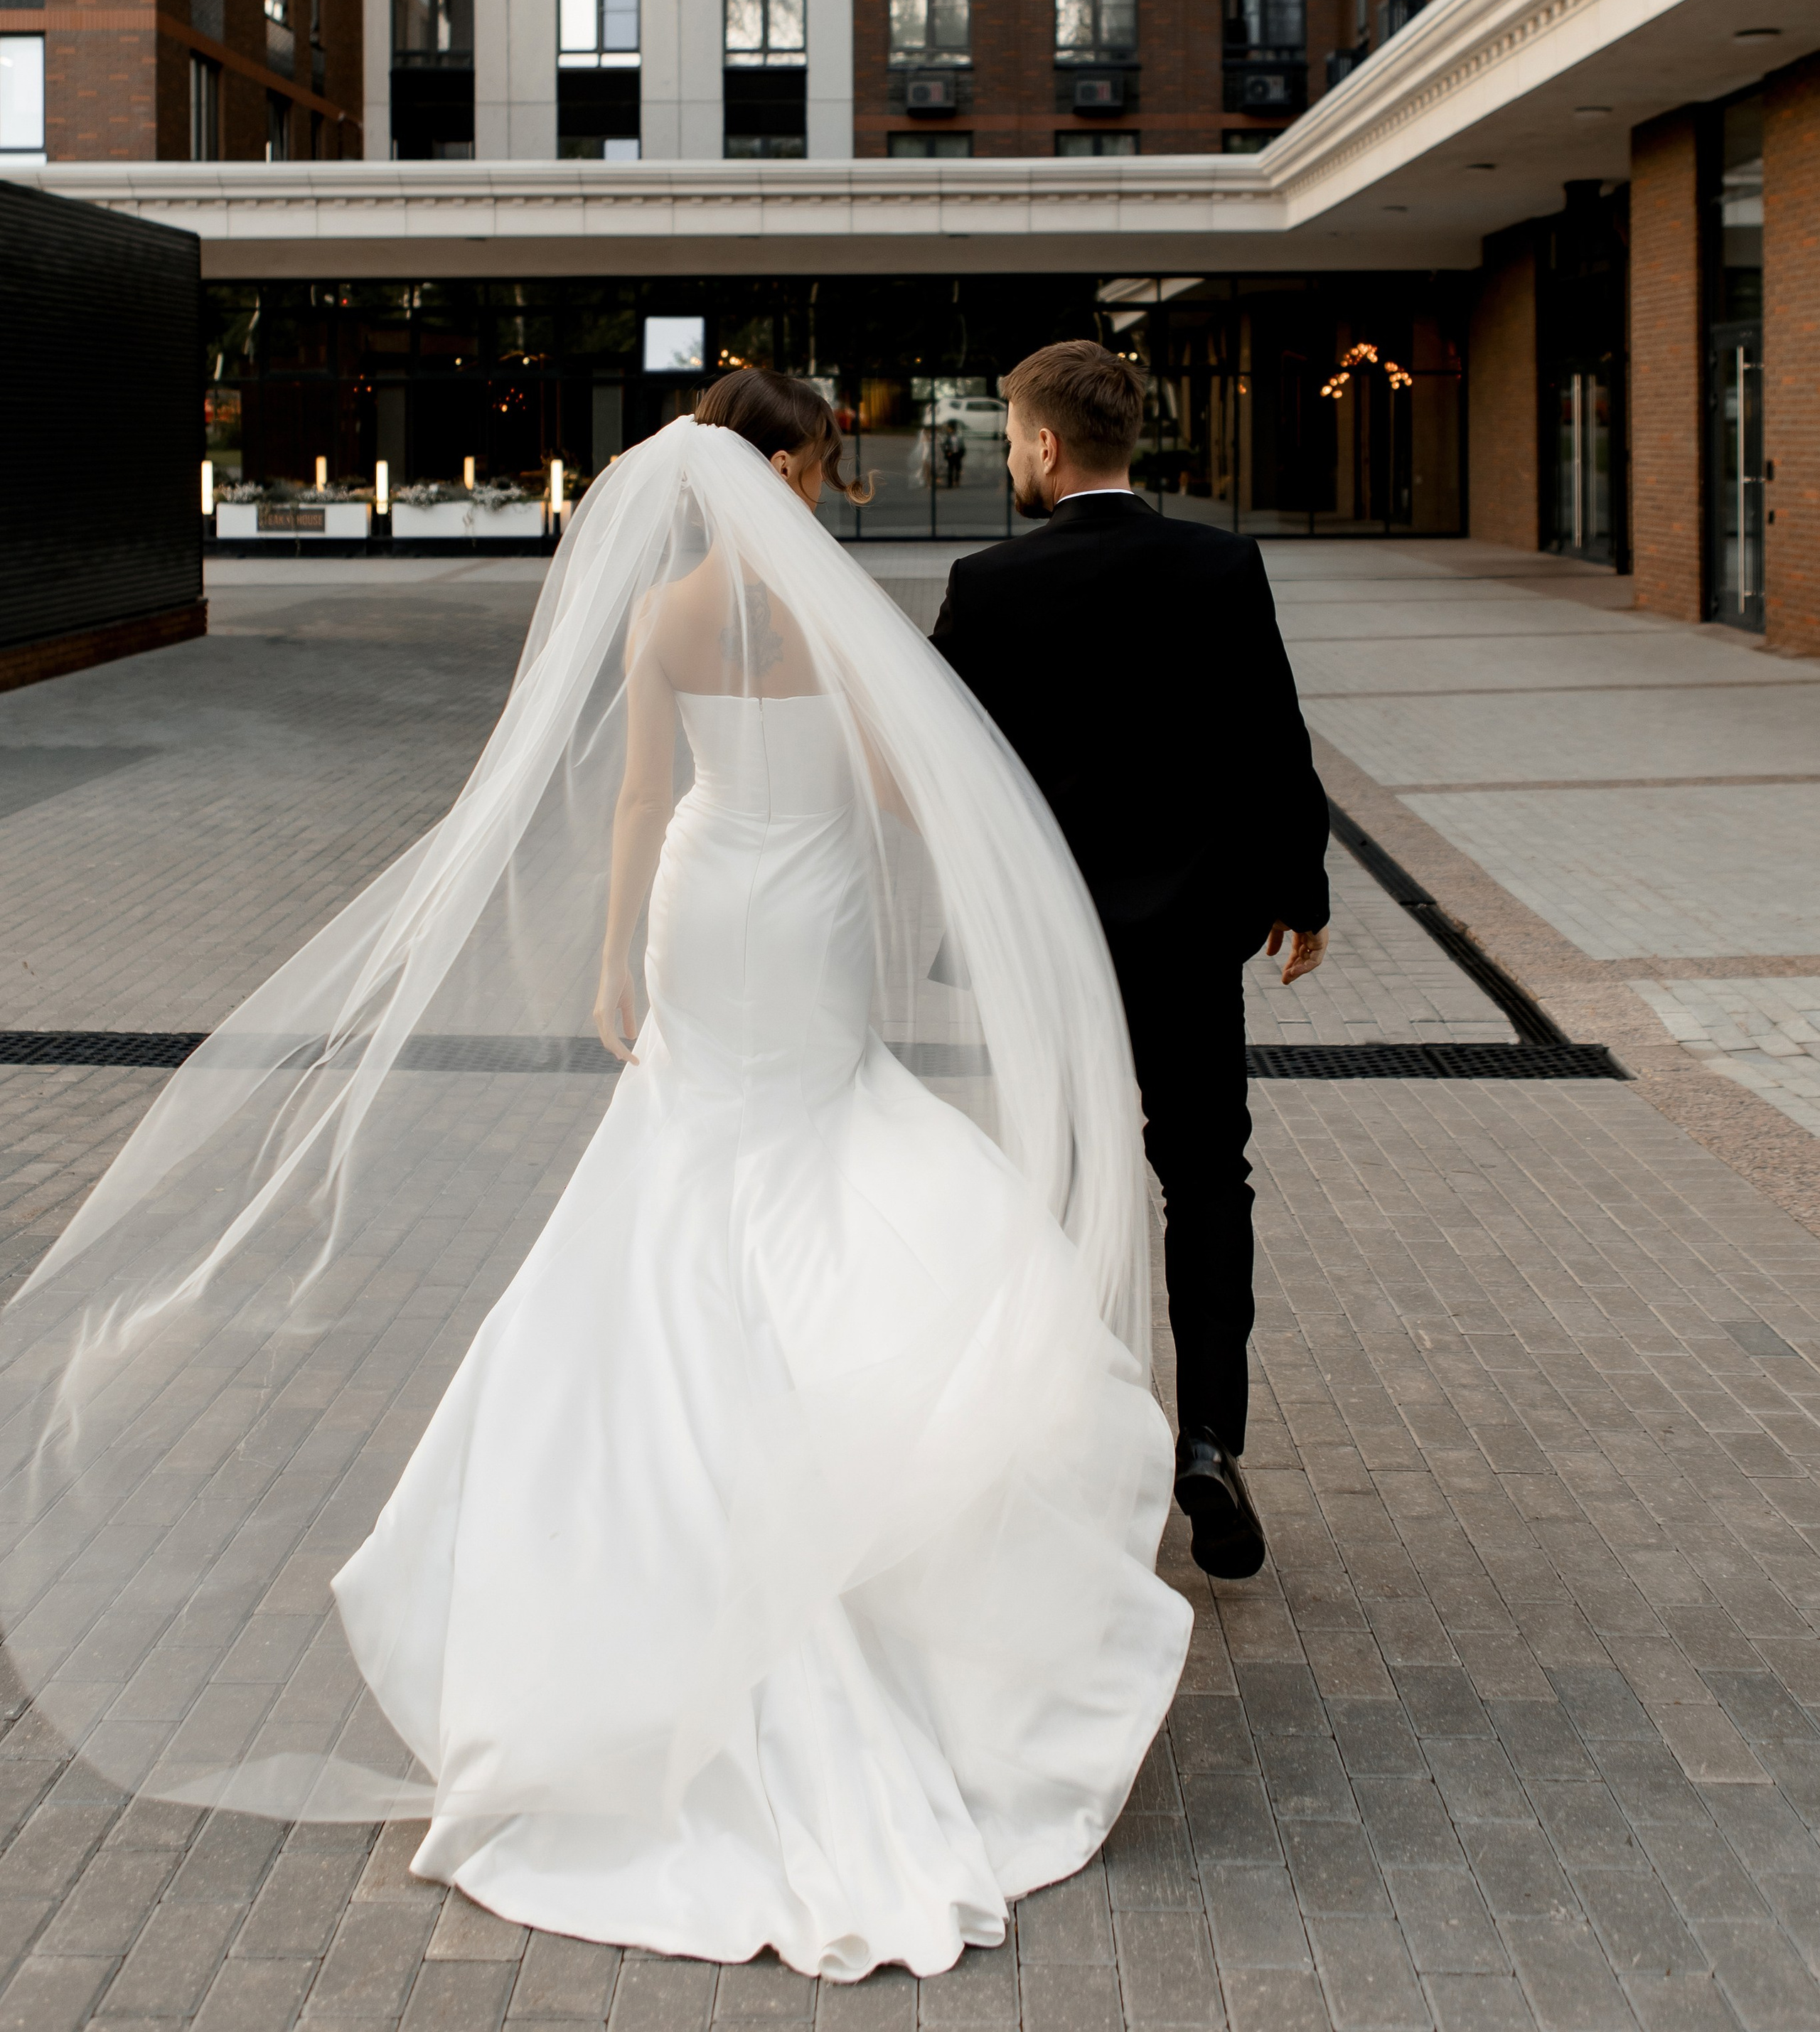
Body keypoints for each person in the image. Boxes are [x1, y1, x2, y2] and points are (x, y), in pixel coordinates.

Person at [0, 369, 1189, 1983]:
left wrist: (622, 961)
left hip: (711, 910)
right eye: (819, 464)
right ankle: (872, 1461)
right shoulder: (841, 619)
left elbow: (643, 792)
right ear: (795, 468)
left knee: (695, 1164)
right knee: (830, 1138)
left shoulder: (672, 616)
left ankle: (681, 1529)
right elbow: (909, 786)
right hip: (812, 917)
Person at [931, 341, 1330, 1583]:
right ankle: (1207, 1440)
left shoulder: (988, 585)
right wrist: (1298, 891)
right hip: (1190, 939)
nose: (1008, 455)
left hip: (1047, 944)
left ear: (1047, 445)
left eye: (1008, 436)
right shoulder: (1220, 562)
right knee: (1206, 1175)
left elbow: (947, 758)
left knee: (1049, 1178)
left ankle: (1057, 1444)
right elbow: (1275, 737)